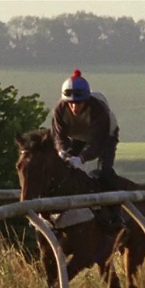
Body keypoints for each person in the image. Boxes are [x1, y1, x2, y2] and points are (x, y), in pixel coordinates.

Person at [50, 69, 124, 230]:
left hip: (105, 136)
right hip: (77, 137)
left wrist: (81, 158)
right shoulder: (59, 110)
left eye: (79, 103)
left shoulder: (98, 110)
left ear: (86, 100)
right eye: (71, 103)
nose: (74, 107)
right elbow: (58, 137)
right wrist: (62, 151)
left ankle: (116, 212)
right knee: (68, 171)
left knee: (104, 171)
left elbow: (96, 144)